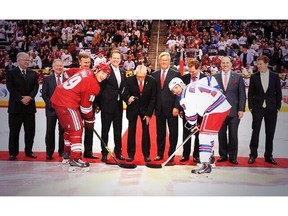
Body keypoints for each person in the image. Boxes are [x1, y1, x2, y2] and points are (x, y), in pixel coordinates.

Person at [50, 64, 111, 169]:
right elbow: (85, 108)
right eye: (102, 73)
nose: (104, 76)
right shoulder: (94, 85)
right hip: (67, 103)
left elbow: (68, 72)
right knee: (77, 128)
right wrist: (90, 120)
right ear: (96, 70)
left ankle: (66, 153)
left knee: (69, 129)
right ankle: (75, 158)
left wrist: (70, 89)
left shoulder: (85, 70)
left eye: (106, 75)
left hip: (57, 98)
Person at [169, 77, 231, 174]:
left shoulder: (184, 98)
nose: (175, 91)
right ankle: (209, 159)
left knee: (204, 136)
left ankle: (205, 164)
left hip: (214, 109)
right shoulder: (192, 84)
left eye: (176, 88)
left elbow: (191, 118)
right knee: (208, 135)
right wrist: (217, 89)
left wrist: (193, 125)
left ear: (181, 84)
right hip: (221, 105)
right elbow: (210, 79)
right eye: (173, 90)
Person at [179, 59, 217, 163]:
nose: (191, 74)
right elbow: (181, 95)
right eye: (189, 71)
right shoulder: (185, 78)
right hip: (188, 111)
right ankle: (185, 155)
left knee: (198, 134)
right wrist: (181, 109)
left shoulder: (206, 79)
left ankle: (196, 155)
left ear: (198, 68)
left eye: (193, 72)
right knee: (186, 132)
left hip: (201, 112)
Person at [247, 55, 282, 165]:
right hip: (258, 108)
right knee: (255, 132)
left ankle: (268, 155)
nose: (258, 66)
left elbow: (278, 93)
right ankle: (253, 155)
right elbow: (250, 93)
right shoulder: (254, 76)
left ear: (267, 64)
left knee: (270, 133)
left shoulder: (275, 76)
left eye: (260, 64)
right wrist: (252, 107)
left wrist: (277, 107)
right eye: (257, 64)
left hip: (271, 109)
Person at [65, 52, 99, 159]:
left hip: (88, 105)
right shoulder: (73, 71)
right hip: (75, 107)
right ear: (80, 62)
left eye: (89, 62)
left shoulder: (92, 73)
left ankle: (88, 152)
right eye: (85, 62)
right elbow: (65, 77)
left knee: (89, 129)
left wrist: (96, 104)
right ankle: (75, 153)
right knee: (77, 129)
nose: (87, 64)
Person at [6, 52, 39, 160]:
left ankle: (28, 151)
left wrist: (29, 97)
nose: (27, 62)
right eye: (25, 60)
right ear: (18, 60)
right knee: (14, 132)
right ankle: (13, 153)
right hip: (16, 108)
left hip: (29, 108)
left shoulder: (33, 73)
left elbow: (35, 87)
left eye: (28, 60)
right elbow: (11, 88)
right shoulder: (11, 73)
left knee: (30, 132)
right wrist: (21, 98)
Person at [213, 56, 246, 164]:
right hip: (220, 111)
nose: (225, 65)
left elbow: (242, 94)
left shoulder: (237, 77)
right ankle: (223, 155)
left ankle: (233, 156)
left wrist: (241, 109)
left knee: (233, 134)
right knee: (221, 134)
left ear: (231, 64)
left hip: (234, 111)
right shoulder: (215, 77)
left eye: (227, 63)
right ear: (220, 64)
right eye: (223, 63)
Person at [122, 64, 157, 162]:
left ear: (146, 74)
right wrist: (128, 99)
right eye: (139, 76)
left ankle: (146, 154)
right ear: (135, 73)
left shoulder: (152, 81)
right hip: (132, 109)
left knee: (146, 132)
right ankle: (130, 155)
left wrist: (149, 113)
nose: (141, 78)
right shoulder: (129, 80)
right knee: (131, 132)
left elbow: (153, 98)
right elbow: (124, 94)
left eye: (142, 76)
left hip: (145, 110)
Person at [151, 52, 181, 162]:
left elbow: (179, 93)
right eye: (162, 60)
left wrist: (177, 107)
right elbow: (153, 94)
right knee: (160, 133)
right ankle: (160, 153)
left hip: (172, 108)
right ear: (159, 62)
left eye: (166, 60)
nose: (164, 62)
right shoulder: (154, 74)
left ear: (169, 62)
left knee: (173, 133)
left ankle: (171, 154)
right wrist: (153, 108)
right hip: (159, 109)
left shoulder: (176, 74)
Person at [98, 49, 126, 162]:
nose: (116, 60)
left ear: (120, 60)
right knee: (105, 130)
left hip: (118, 105)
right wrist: (98, 104)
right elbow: (100, 88)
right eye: (114, 58)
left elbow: (122, 89)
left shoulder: (122, 72)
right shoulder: (106, 71)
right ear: (110, 58)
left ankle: (118, 152)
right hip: (106, 105)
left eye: (118, 58)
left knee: (118, 130)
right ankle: (104, 153)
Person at [42, 59, 65, 160]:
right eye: (57, 66)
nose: (59, 67)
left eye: (61, 66)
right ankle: (49, 152)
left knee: (63, 132)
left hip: (64, 111)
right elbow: (45, 94)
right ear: (53, 67)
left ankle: (62, 151)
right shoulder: (48, 79)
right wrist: (52, 105)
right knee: (50, 131)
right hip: (51, 110)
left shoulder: (68, 79)